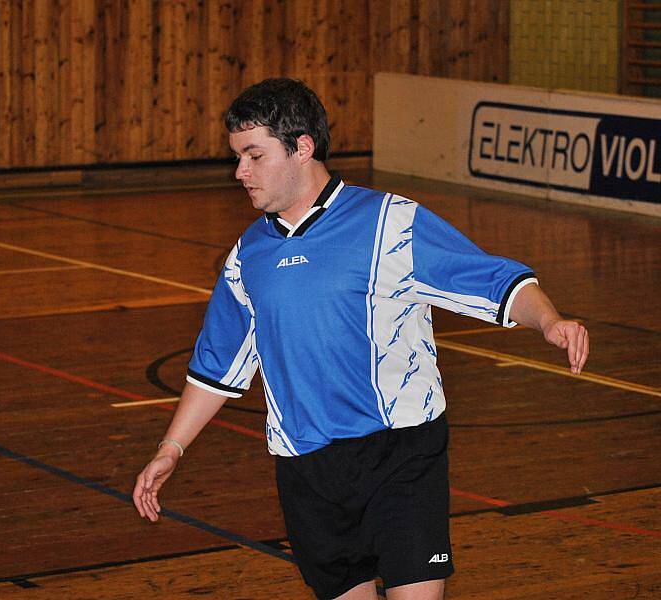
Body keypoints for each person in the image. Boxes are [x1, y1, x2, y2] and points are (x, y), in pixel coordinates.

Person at [133, 78, 589, 600]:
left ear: (301, 147)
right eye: (238, 157)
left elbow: (492, 280)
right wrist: (172, 448)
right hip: (307, 468)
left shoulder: (388, 222)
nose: (241, 172)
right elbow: (217, 365)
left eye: (254, 155)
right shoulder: (249, 254)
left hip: (400, 453)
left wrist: (549, 321)